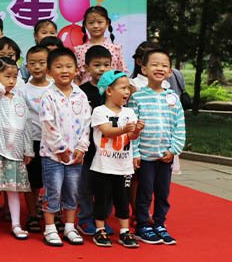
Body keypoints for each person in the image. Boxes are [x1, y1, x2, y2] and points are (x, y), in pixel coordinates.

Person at [128, 48, 185, 246]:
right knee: (144, 192)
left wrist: (174, 150)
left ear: (169, 71)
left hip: (165, 156)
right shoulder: (137, 97)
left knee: (163, 192)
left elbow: (179, 125)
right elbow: (133, 128)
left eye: (164, 65)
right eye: (154, 64)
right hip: (145, 156)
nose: (159, 68)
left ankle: (160, 223)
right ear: (144, 69)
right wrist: (135, 153)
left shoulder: (173, 98)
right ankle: (142, 225)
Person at [39, 47, 92, 247]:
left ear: (76, 70)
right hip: (53, 155)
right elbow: (48, 123)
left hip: (75, 156)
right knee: (53, 191)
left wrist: (82, 147)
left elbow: (86, 123)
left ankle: (69, 227)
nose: (64, 70)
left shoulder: (81, 95)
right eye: (59, 67)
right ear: (49, 72)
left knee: (72, 191)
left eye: (69, 66)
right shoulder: (48, 95)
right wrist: (61, 148)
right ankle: (50, 228)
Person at [0, 58, 33, 240]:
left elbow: (26, 124)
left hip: (15, 151)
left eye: (15, 77)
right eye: (7, 76)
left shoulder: (19, 99)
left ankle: (16, 225)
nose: (11, 81)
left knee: (13, 190)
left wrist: (28, 149)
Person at [90, 70, 143, 248]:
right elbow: (107, 131)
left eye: (128, 88)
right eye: (123, 88)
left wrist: (137, 130)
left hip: (124, 167)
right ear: (109, 91)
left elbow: (132, 137)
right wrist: (124, 129)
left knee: (123, 200)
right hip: (103, 166)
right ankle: (100, 229)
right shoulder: (99, 111)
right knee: (102, 199)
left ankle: (124, 231)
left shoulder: (129, 112)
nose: (127, 92)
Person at [76, 45, 113, 236]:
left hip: (110, 149)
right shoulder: (80, 92)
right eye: (97, 65)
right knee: (85, 186)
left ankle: (102, 219)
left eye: (106, 65)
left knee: (107, 187)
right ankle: (85, 218)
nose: (102, 69)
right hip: (88, 148)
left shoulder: (115, 91)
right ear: (86, 67)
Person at [22, 45, 51, 233]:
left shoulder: (55, 88)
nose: (37, 67)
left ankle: (53, 214)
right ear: (27, 66)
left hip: (52, 141)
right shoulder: (23, 89)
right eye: (33, 63)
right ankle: (32, 214)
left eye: (42, 63)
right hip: (31, 141)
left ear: (49, 65)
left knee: (52, 181)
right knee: (31, 181)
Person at [74, 6, 127, 84]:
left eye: (100, 22)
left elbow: (121, 74)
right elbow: (77, 77)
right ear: (85, 24)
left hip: (110, 89)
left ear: (107, 23)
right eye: (91, 23)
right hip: (86, 90)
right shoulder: (79, 51)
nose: (95, 26)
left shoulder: (115, 49)